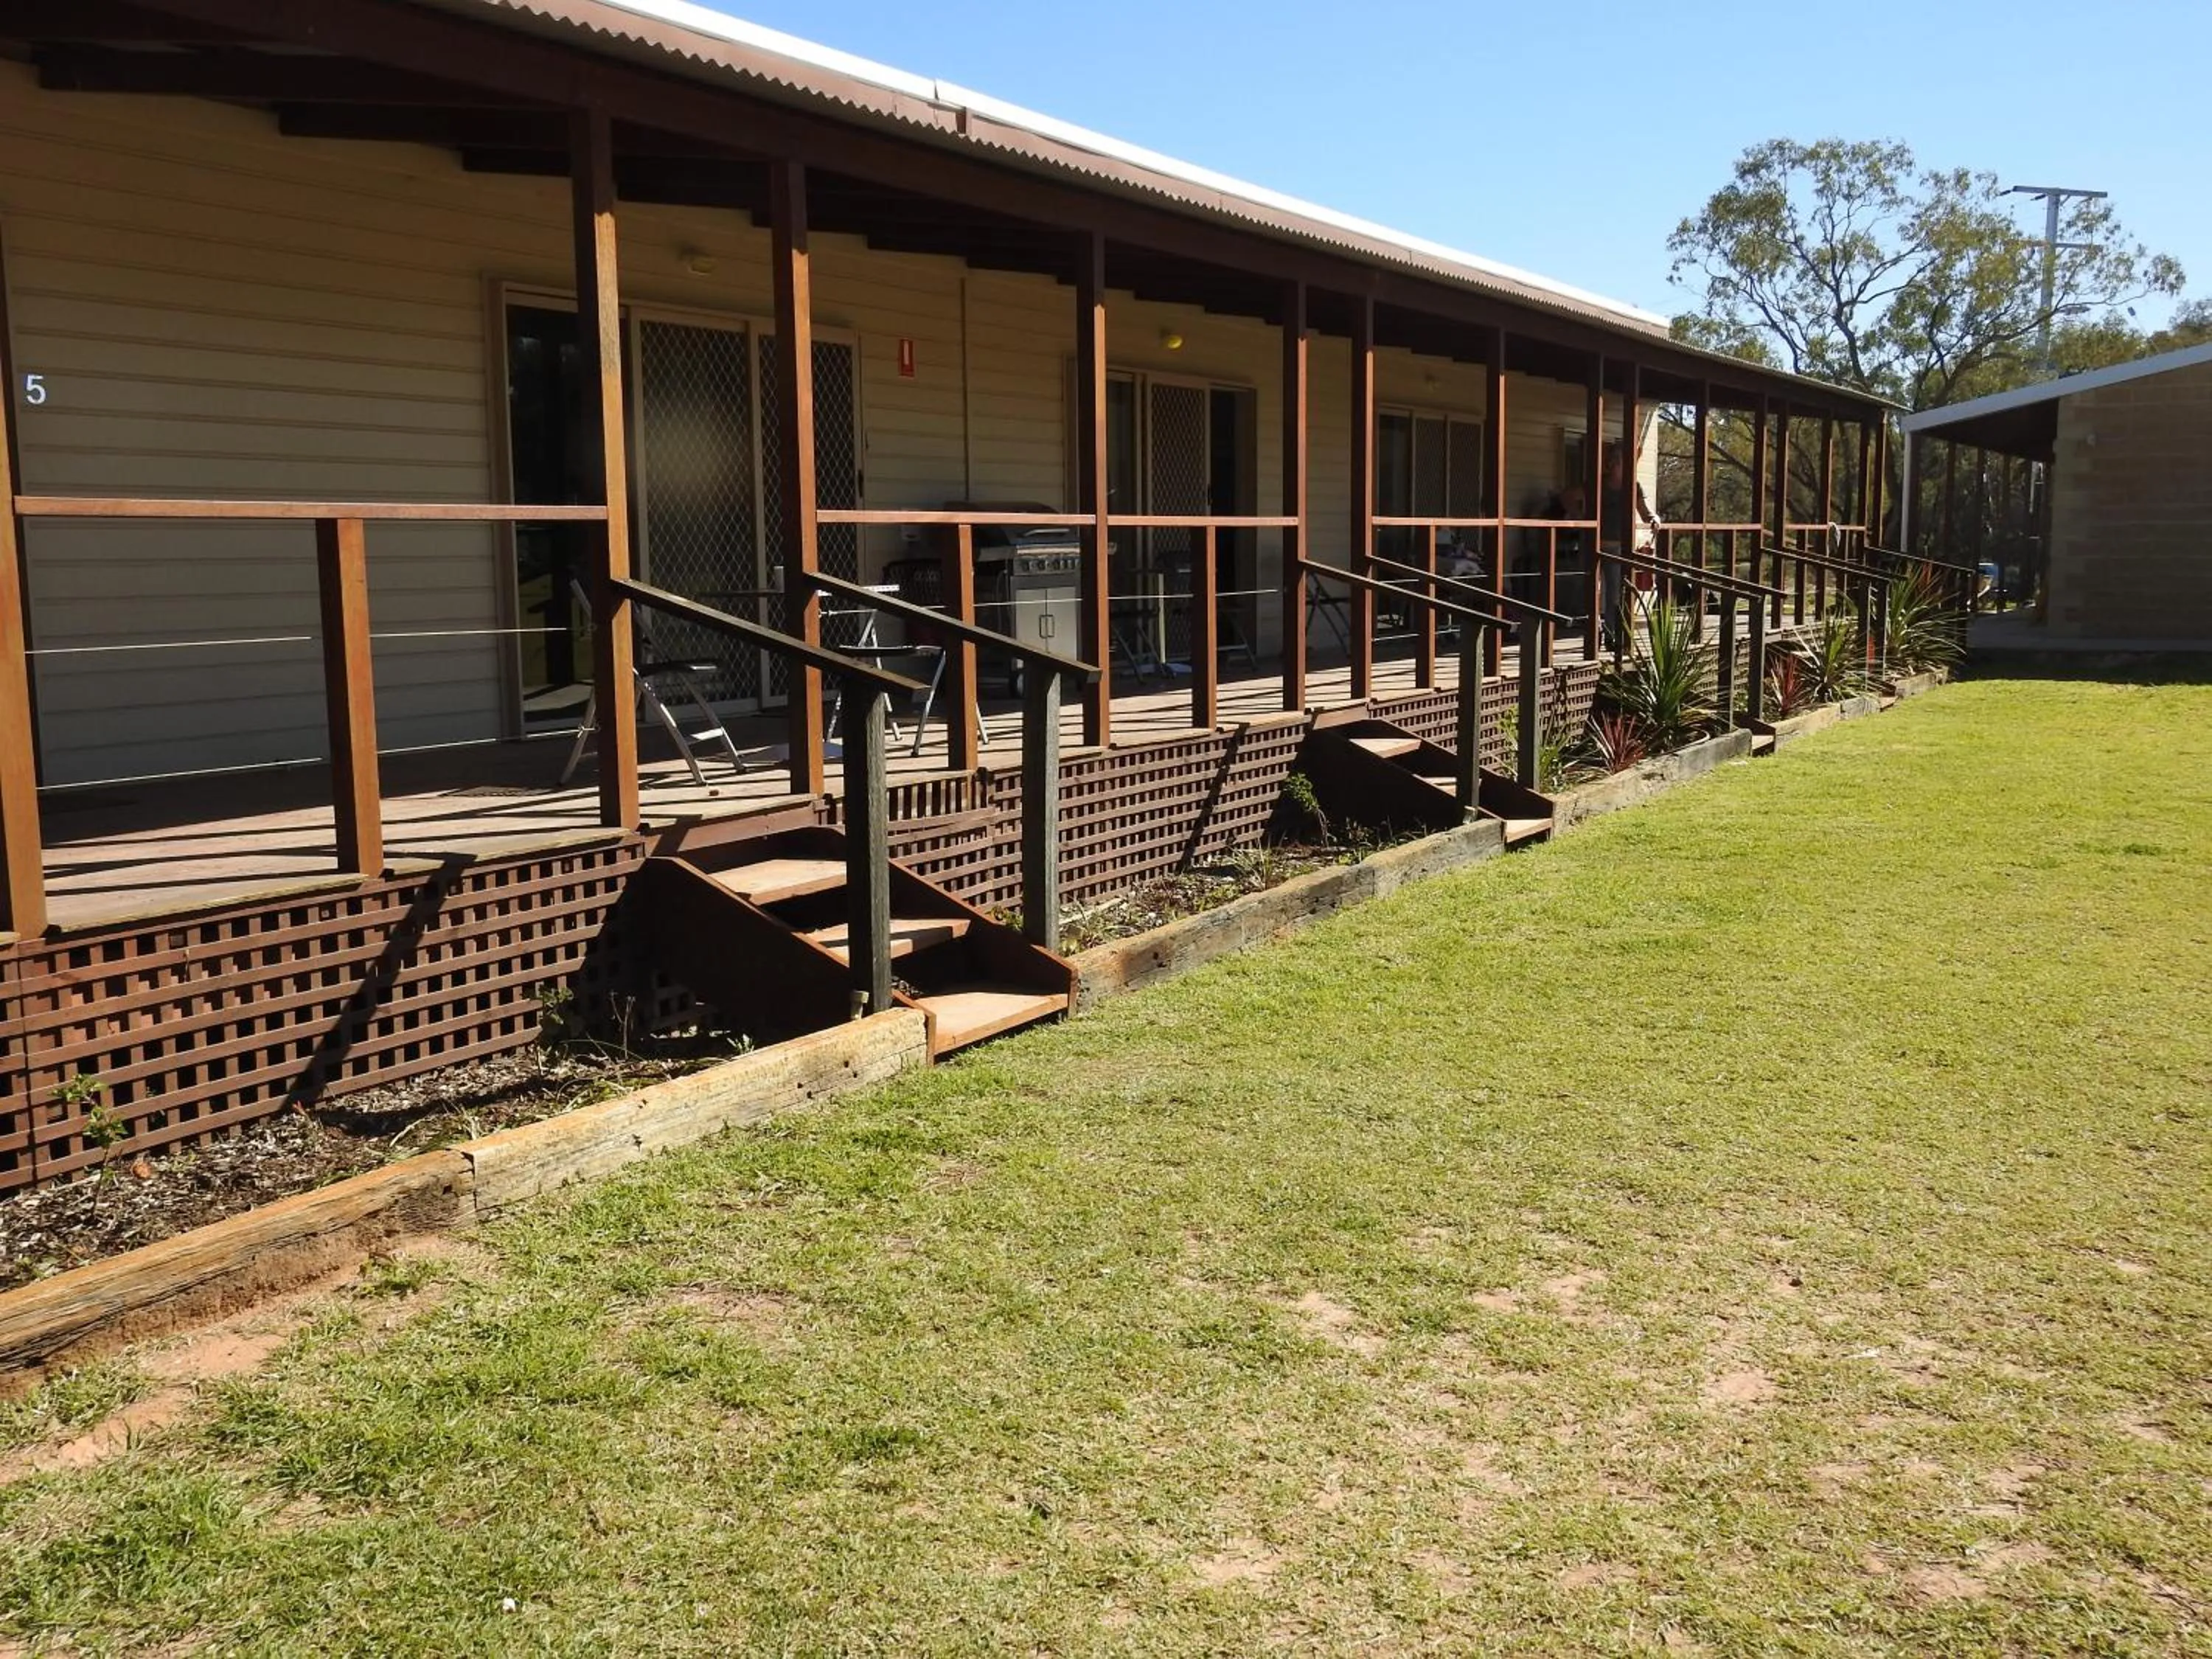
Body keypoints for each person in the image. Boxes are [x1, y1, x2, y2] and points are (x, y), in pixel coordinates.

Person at [1597, 446, 1660, 651]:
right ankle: (1603, 633)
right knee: (1595, 592)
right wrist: (1577, 516)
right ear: (1613, 464)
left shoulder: (1633, 486)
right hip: (1597, 546)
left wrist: (1654, 519)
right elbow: (1570, 497)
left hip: (1620, 548)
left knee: (1616, 592)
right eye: (1622, 462)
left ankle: (1613, 636)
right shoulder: (1599, 484)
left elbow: (1645, 512)